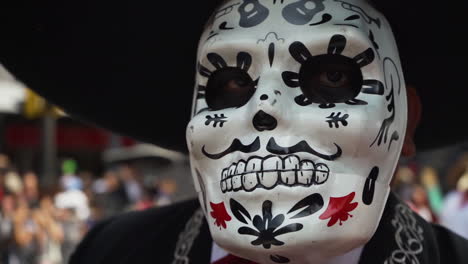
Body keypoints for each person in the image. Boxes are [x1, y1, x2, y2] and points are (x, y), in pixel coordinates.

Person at [1, 0, 468, 263]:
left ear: (404, 116)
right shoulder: (114, 254)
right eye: (229, 83)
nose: (265, 112)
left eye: (331, 77)